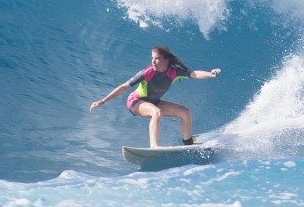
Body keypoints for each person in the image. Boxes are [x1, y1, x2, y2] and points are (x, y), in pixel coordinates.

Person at [89, 46, 221, 148]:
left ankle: (188, 143)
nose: (153, 61)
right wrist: (102, 101)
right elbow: (124, 86)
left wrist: (210, 74)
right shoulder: (147, 73)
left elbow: (194, 73)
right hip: (136, 102)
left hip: (154, 101)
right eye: (152, 58)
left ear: (166, 60)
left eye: (156, 58)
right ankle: (154, 145)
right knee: (156, 112)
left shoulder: (174, 72)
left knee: (185, 112)